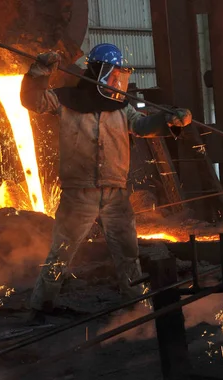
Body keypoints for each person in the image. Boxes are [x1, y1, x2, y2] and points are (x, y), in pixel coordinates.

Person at [21, 43, 192, 323]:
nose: (117, 81)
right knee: (61, 253)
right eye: (113, 74)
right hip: (79, 193)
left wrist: (170, 118)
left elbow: (143, 127)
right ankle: (41, 307)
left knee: (128, 253)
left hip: (116, 193)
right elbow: (32, 101)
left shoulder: (121, 107)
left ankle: (136, 305)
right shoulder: (66, 101)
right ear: (99, 72)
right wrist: (39, 71)